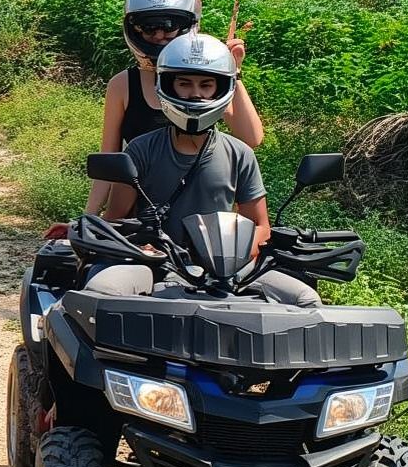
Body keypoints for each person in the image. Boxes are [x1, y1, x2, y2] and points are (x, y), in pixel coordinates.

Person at [92, 33, 319, 308]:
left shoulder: (240, 153)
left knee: (305, 298)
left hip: (229, 271)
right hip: (155, 264)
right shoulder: (141, 150)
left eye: (206, 85)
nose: (195, 93)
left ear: (221, 89)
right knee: (101, 291)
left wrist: (232, 257)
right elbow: (116, 220)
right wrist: (140, 246)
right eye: (184, 84)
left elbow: (260, 225)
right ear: (168, 86)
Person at [84, 0, 264, 216]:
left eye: (170, 28)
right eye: (149, 29)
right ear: (134, 29)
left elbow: (250, 138)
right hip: (138, 221)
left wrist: (233, 72)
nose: (159, 37)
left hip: (204, 216)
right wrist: (90, 218)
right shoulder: (123, 85)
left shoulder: (203, 81)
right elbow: (109, 158)